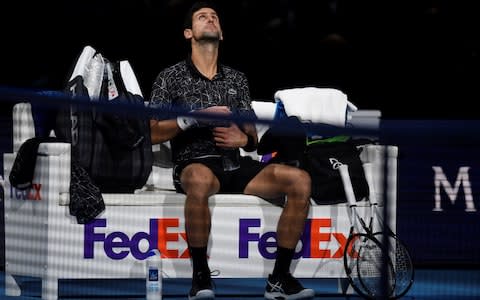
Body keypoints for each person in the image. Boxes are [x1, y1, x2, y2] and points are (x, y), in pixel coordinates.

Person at [149, 1, 314, 299]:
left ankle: (279, 279)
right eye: (202, 17)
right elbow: (150, 132)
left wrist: (245, 140)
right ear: (189, 33)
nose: (210, 19)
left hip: (235, 166)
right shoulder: (170, 76)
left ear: (221, 33)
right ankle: (201, 278)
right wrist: (191, 119)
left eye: (215, 17)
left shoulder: (237, 79)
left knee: (300, 180)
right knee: (199, 180)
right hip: (194, 163)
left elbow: (250, 132)